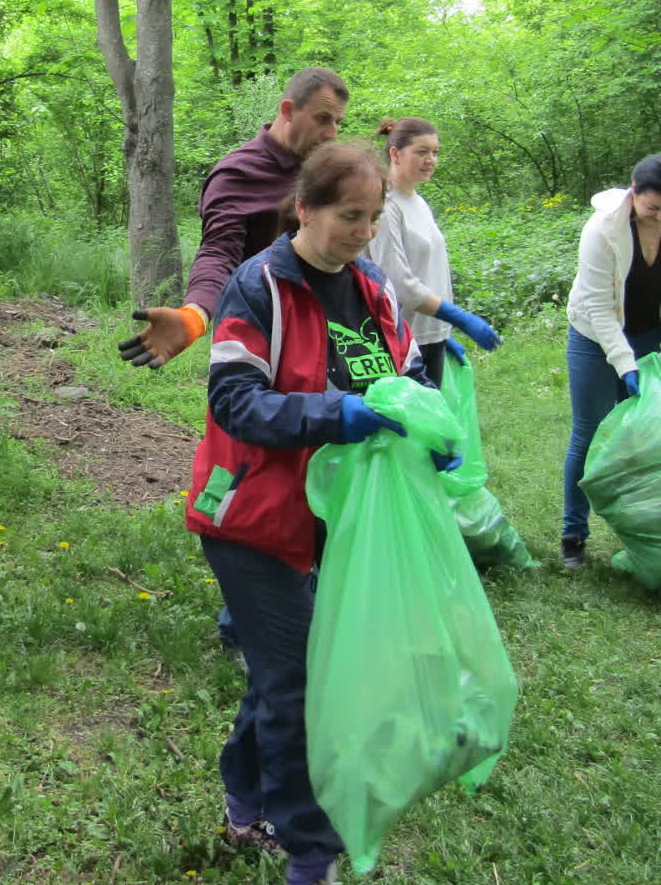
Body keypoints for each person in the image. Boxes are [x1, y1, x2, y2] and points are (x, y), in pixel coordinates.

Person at [185, 142, 431, 885]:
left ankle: (242, 803)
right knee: (302, 687)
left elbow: (409, 372)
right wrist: (334, 413)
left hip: (338, 517)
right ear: (304, 209)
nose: (364, 231)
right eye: (349, 216)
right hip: (253, 517)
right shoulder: (258, 287)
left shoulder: (373, 286)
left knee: (281, 673)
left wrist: (433, 430)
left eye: (373, 216)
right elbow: (235, 400)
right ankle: (310, 852)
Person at [118, 66, 349, 370]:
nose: (332, 133)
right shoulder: (239, 173)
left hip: (332, 335)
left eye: (337, 122)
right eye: (322, 119)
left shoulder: (323, 172)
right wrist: (195, 314)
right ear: (288, 110)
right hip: (261, 341)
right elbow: (219, 251)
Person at [558, 153, 661, 570]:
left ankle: (646, 538)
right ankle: (573, 534)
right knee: (589, 433)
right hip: (593, 335)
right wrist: (624, 364)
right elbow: (597, 305)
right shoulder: (601, 228)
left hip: (651, 336)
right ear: (634, 191)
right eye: (652, 207)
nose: (660, 217)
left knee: (648, 439)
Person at [364, 117, 502, 385]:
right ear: (396, 154)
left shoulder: (418, 202)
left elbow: (428, 270)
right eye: (422, 152)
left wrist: (441, 330)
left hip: (430, 334)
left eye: (435, 152)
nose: (431, 160)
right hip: (401, 341)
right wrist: (458, 317)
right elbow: (397, 283)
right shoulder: (386, 208)